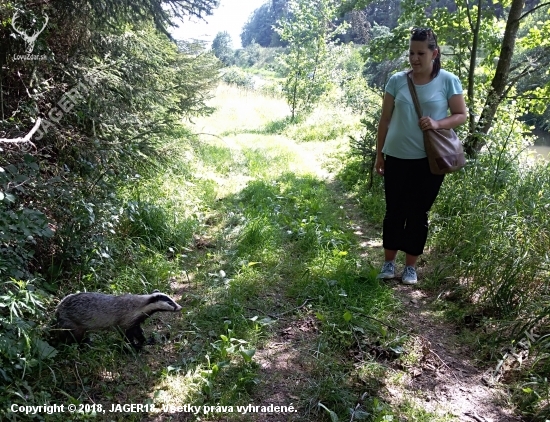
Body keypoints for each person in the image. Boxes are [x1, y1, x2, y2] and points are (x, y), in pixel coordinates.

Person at [374, 27, 467, 284]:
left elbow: (461, 115)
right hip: (395, 156)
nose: (414, 58)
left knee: (418, 213)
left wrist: (437, 124)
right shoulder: (396, 80)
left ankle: (410, 267)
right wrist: (379, 154)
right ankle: (388, 263)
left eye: (420, 53)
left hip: (430, 161)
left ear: (434, 53)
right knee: (394, 211)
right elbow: (385, 120)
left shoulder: (448, 80)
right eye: (411, 53)